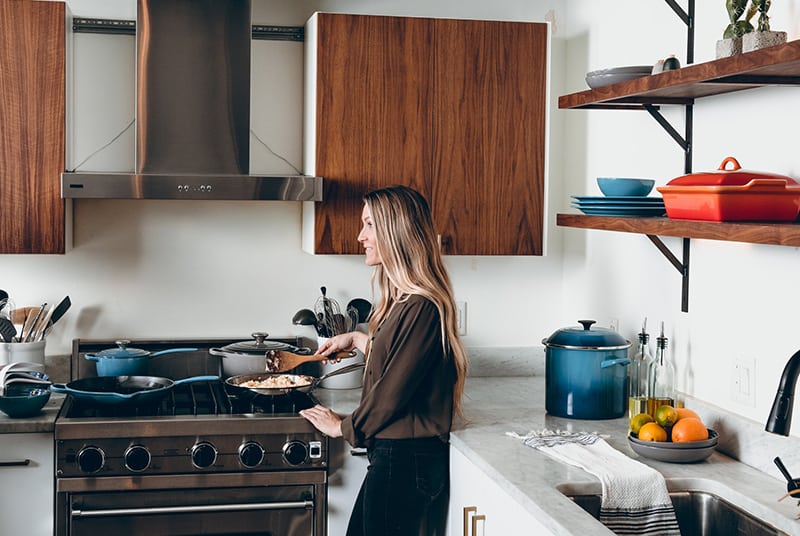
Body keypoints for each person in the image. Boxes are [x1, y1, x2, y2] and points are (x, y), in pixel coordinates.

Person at [299, 185, 468, 536]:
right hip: (398, 458)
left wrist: (343, 427)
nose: (361, 236)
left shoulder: (422, 307)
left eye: (369, 225)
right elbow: (401, 363)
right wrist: (360, 339)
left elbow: (392, 393)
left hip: (406, 461)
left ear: (397, 231)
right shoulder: (404, 303)